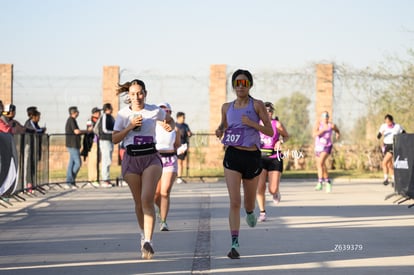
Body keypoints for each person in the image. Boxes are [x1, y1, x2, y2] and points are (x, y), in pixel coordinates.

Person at [112, 79, 174, 260]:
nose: (137, 97)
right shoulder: (123, 114)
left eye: (139, 93)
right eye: (132, 94)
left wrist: (169, 125)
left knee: (147, 198)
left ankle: (148, 240)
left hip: (151, 158)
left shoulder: (154, 110)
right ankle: (142, 234)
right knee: (139, 202)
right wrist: (130, 126)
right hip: (131, 159)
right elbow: (115, 139)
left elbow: (169, 120)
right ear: (128, 96)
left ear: (145, 93)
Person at [215, 69, 273, 259]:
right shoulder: (226, 107)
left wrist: (251, 123)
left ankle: (250, 211)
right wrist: (219, 130)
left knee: (248, 202)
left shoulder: (256, 105)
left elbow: (270, 132)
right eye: (237, 83)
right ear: (233, 86)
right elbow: (223, 125)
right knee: (234, 201)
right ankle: (234, 243)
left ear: (249, 85)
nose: (241, 86)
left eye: (244, 83)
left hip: (252, 157)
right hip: (232, 155)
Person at [256, 102, 289, 222]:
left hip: (275, 158)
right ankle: (262, 212)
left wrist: (281, 141)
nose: (267, 113)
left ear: (272, 112)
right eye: (264, 111)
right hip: (260, 157)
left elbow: (286, 136)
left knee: (272, 189)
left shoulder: (277, 124)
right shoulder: (256, 125)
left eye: (269, 110)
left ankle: (276, 193)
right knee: (260, 187)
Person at [154, 103, 180, 232]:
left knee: (164, 192)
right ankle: (161, 211)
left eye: (167, 110)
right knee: (155, 194)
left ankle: (163, 221)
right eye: (162, 110)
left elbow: (177, 144)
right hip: (155, 159)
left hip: (169, 160)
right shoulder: (152, 126)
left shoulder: (175, 128)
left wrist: (176, 151)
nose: (165, 113)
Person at [313, 111, 340, 193]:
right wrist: (322, 130)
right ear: (321, 117)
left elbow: (337, 130)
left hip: (327, 146)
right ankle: (328, 182)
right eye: (324, 116)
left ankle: (320, 182)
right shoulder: (318, 124)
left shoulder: (331, 125)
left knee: (321, 163)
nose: (325, 118)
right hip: (318, 147)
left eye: (327, 116)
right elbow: (314, 134)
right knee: (321, 165)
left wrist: (337, 133)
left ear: (328, 117)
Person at [377, 114, 405, 186]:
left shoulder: (397, 126)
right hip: (386, 146)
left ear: (392, 121)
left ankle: (386, 179)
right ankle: (394, 180)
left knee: (384, 163)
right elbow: (378, 136)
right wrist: (381, 133)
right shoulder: (383, 126)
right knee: (389, 164)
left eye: (389, 122)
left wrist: (400, 141)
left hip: (393, 145)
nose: (387, 123)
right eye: (386, 122)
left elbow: (404, 134)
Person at [24, 109, 46, 193]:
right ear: (33, 116)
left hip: (36, 147)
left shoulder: (36, 124)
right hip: (30, 146)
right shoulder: (28, 123)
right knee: (29, 166)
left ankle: (34, 184)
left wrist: (42, 130)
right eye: (38, 117)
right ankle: (28, 184)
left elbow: (38, 131)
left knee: (34, 165)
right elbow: (33, 132)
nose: (39, 118)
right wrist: (39, 131)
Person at [65, 106, 87, 189]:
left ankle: (70, 182)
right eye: (77, 111)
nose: (78, 113)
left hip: (75, 145)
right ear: (74, 112)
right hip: (72, 145)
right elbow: (76, 131)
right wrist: (86, 131)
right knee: (78, 163)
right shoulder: (71, 120)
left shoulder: (73, 120)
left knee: (72, 163)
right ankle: (70, 180)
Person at [84, 107, 101, 187]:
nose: (99, 114)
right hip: (92, 142)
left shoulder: (99, 120)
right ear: (94, 113)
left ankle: (95, 178)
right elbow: (90, 129)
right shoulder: (90, 120)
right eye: (98, 112)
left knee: (97, 161)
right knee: (93, 162)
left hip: (98, 142)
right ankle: (92, 179)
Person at [99, 103, 115, 187]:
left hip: (110, 140)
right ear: (107, 109)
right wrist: (114, 133)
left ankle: (107, 179)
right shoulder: (104, 116)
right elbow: (104, 129)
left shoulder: (111, 117)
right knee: (106, 160)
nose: (112, 109)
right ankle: (105, 180)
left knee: (108, 160)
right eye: (111, 108)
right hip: (105, 140)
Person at [175, 111, 192, 183]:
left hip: (182, 146)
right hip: (174, 146)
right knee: (174, 161)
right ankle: (173, 176)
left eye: (184, 117)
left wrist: (189, 134)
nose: (184, 119)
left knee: (180, 161)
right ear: (178, 117)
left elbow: (189, 133)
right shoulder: (174, 125)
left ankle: (179, 177)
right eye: (183, 117)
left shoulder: (185, 126)